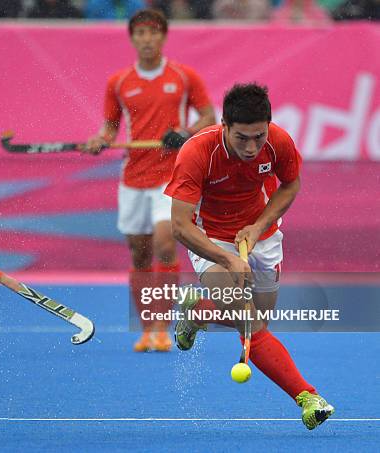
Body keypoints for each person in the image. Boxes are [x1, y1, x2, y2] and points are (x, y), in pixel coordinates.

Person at [165, 83, 334, 430]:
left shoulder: (278, 142)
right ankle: (307, 397)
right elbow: (180, 226)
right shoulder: (197, 153)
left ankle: (197, 312)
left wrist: (258, 227)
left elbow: (291, 185)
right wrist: (227, 260)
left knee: (260, 318)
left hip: (263, 235)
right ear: (224, 125)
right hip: (211, 241)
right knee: (249, 323)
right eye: (242, 138)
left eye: (258, 136)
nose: (252, 147)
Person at [85, 8, 216, 352]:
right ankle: (147, 327)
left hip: (170, 177)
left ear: (163, 36)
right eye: (140, 33)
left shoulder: (184, 77)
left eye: (154, 32)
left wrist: (185, 133)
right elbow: (111, 127)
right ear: (132, 38)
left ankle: (163, 324)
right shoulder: (118, 83)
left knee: (164, 244)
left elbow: (208, 116)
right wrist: (101, 139)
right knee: (139, 255)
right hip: (133, 179)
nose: (147, 39)